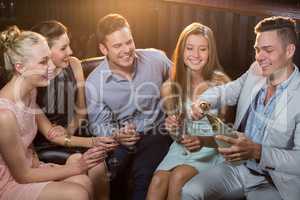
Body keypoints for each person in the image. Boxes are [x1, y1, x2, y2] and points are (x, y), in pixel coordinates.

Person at [181, 16, 300, 200]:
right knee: (190, 191)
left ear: (289, 50)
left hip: (275, 184)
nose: (260, 57)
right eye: (257, 50)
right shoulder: (255, 70)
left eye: (268, 50)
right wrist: (203, 103)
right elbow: (226, 91)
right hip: (237, 168)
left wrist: (257, 151)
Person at [0, 26, 106, 200]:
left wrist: (94, 142)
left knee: (84, 182)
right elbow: (22, 175)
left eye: (49, 59)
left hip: (31, 167)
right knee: (77, 193)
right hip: (9, 182)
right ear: (20, 67)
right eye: (43, 62)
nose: (51, 67)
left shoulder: (30, 92)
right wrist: (78, 166)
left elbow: (43, 135)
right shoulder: (4, 114)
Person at [85, 13, 173, 200]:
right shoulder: (94, 83)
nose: (126, 50)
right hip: (121, 138)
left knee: (144, 178)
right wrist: (118, 135)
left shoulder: (156, 59)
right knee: (110, 174)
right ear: (103, 48)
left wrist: (175, 107)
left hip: (156, 132)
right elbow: (99, 125)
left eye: (129, 42)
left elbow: (181, 78)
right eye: (117, 45)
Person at [31, 21, 117, 200]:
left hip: (74, 133)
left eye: (69, 45)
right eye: (63, 48)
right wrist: (95, 142)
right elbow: (51, 135)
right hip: (48, 144)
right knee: (94, 165)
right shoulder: (34, 81)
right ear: (46, 51)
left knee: (98, 167)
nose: (70, 52)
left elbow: (81, 110)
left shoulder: (74, 65)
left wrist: (70, 129)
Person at [146, 23, 230, 200]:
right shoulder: (169, 88)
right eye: (190, 48)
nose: (196, 55)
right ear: (182, 51)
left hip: (211, 149)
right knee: (158, 181)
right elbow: (178, 137)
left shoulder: (221, 83)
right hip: (181, 149)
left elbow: (225, 135)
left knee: (178, 177)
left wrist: (202, 141)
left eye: (202, 49)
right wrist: (173, 129)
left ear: (210, 52)